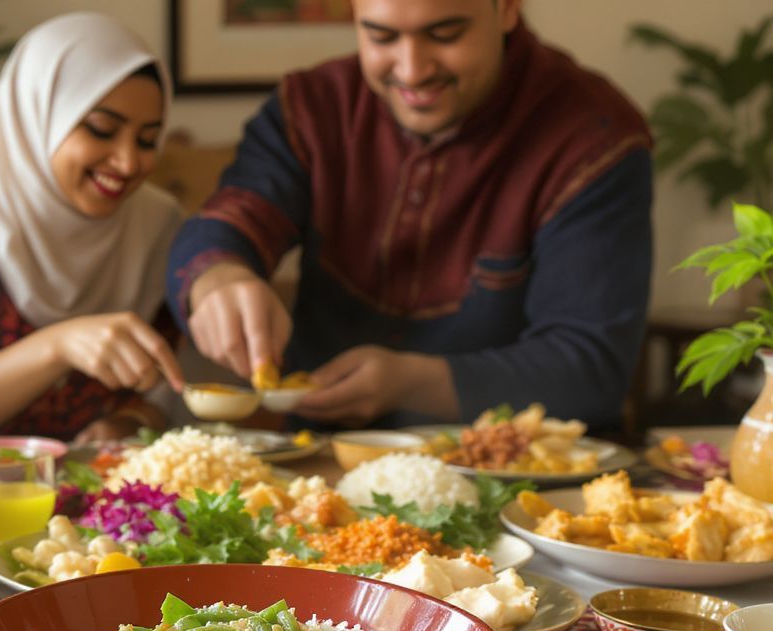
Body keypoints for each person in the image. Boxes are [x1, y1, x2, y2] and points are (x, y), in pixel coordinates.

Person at [166, 0, 653, 431]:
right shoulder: (311, 107)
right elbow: (232, 216)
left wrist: (408, 383)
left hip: (521, 484)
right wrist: (219, 279)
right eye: (381, 36)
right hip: (319, 466)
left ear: (507, 8)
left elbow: (592, 370)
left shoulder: (594, 138)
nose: (413, 70)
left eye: (445, 34)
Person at [0, 12, 185, 443]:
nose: (128, 163)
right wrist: (58, 346)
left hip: (105, 499)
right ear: (37, 117)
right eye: (102, 129)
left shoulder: (156, 223)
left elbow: (160, 387)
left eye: (146, 140)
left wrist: (128, 424)